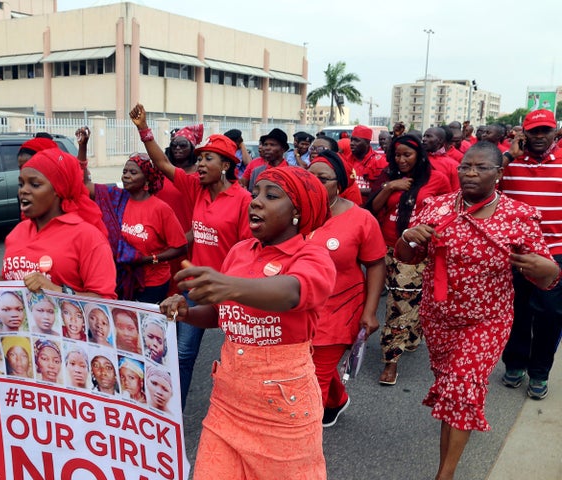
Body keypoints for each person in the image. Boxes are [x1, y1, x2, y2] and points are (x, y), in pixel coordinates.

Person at [395, 141, 561, 480]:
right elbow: (406, 256)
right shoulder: (435, 207)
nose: (470, 173)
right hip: (439, 316)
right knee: (450, 384)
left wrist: (542, 267)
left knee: (461, 387)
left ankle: (445, 474)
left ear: (499, 174)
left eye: (481, 167)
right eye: (465, 167)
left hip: (487, 320)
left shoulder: (518, 215)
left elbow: (550, 275)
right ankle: (453, 428)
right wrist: (409, 237)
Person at [159, 166, 335, 479]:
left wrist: (230, 286)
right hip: (227, 402)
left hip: (282, 409)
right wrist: (186, 311)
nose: (255, 201)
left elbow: (293, 292)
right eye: (255, 194)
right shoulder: (240, 252)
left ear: (297, 210)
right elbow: (221, 314)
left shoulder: (313, 256)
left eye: (271, 195)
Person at [130, 103, 253, 408]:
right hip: (198, 289)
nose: (199, 164)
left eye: (207, 158)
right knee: (183, 354)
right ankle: (174, 419)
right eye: (199, 158)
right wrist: (143, 129)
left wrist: (233, 288)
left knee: (241, 358)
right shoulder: (195, 188)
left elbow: (249, 253)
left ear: (225, 165)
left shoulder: (244, 200)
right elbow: (161, 162)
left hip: (233, 290)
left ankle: (242, 415)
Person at [0, 148, 116, 299]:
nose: (23, 190)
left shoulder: (88, 236)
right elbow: (10, 287)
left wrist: (56, 290)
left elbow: (106, 302)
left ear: (59, 189)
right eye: (21, 184)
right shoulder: (18, 232)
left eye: (35, 184)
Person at [307, 150, 387, 427]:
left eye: (323, 178)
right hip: (299, 308)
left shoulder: (362, 219)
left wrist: (371, 311)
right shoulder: (293, 212)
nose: (314, 183)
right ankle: (337, 399)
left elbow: (376, 265)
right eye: (309, 176)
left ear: (339, 183)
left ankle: (299, 442)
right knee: (304, 365)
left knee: (312, 380)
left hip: (341, 310)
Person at [366, 134, 453, 385]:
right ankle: (411, 336)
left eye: (407, 154)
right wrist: (391, 187)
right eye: (397, 154)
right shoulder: (389, 175)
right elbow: (372, 209)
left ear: (420, 155)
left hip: (416, 252)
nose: (401, 159)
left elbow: (448, 212)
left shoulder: (437, 179)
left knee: (401, 304)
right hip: (384, 247)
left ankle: (391, 360)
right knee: (401, 301)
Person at [501, 109, 562, 400]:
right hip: (514, 254)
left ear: (554, 132)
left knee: (550, 315)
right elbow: (482, 182)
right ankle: (515, 364)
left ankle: (539, 373)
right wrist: (509, 156)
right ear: (524, 133)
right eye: (534, 131)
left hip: (554, 254)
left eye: (545, 131)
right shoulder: (508, 163)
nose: (539, 137)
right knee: (516, 312)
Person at [85, 153, 187, 302]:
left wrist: (149, 259)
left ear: (146, 179)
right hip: (121, 279)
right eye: (124, 172)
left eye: (133, 173)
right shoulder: (116, 199)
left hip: (152, 283)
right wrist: (83, 146)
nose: (126, 176)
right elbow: (83, 185)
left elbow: (181, 247)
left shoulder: (160, 209)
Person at [344, 125, 387, 202]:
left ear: (367, 143)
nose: (352, 143)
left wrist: (356, 190)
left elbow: (382, 189)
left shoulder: (380, 161)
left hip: (370, 207)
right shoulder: (346, 159)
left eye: (356, 140)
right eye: (352, 140)